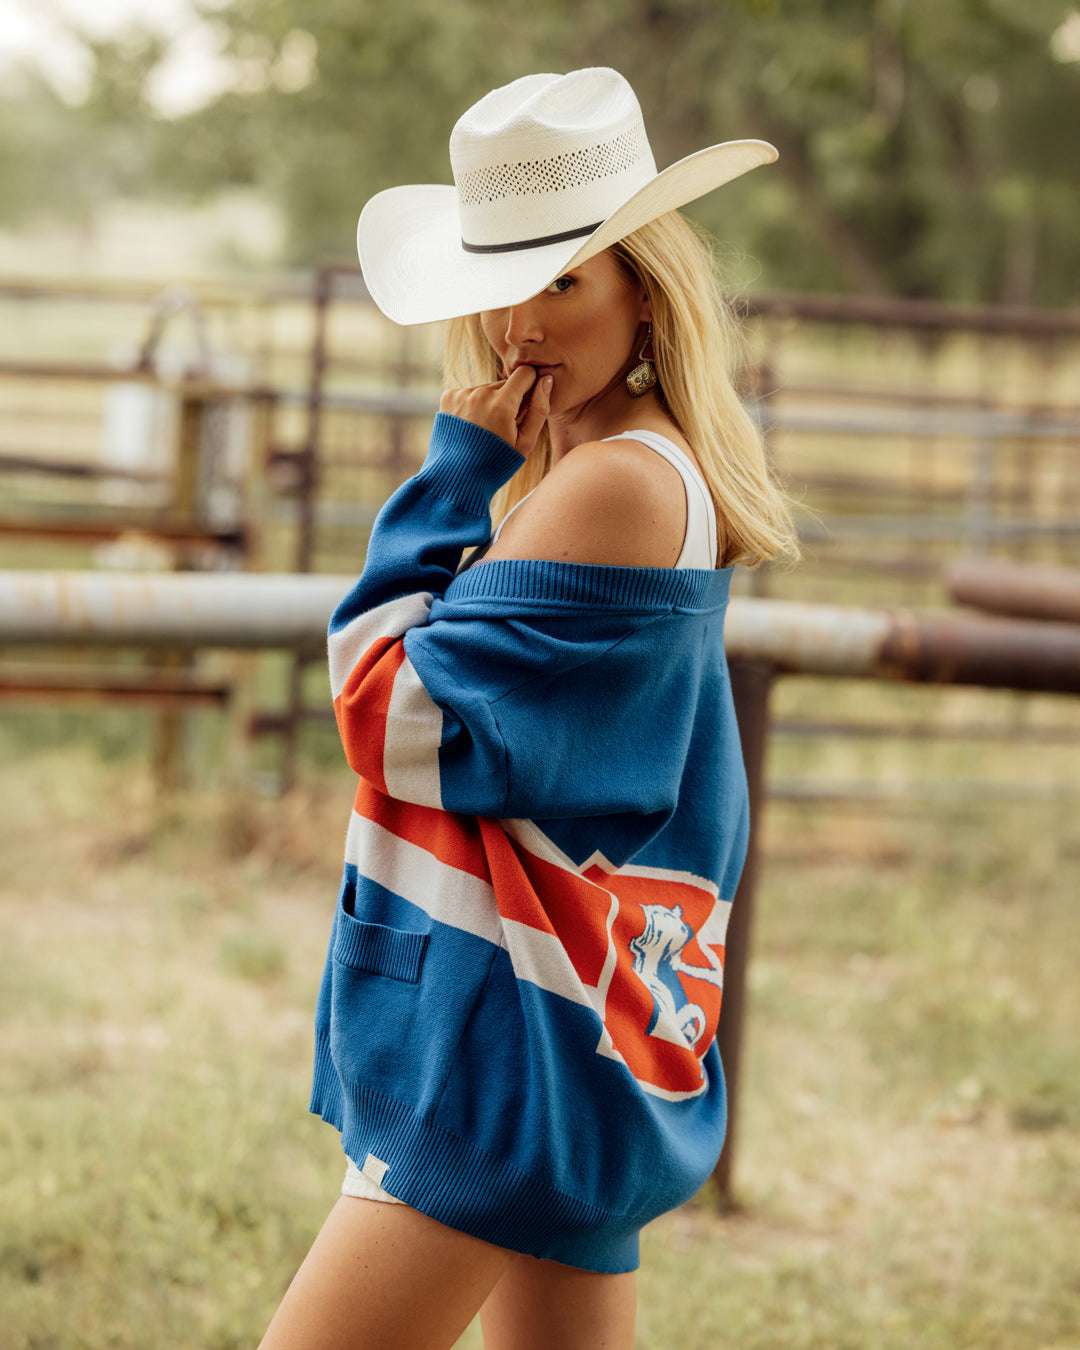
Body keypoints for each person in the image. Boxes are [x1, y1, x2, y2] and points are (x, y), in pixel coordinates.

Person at [258, 66, 801, 1350]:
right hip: (573, 1022)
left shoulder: (608, 485)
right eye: (499, 280)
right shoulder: (629, 470)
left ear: (643, 289)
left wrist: (453, 476)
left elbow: (389, 716)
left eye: (563, 279)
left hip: (506, 1036)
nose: (522, 322)